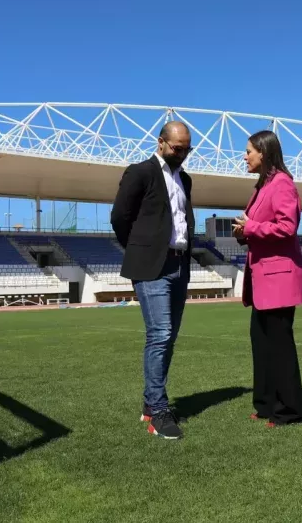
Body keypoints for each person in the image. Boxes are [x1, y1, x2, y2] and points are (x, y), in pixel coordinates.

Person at [110, 121, 194, 440]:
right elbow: (120, 217)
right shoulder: (140, 172)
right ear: (160, 142)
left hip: (179, 265)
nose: (182, 154)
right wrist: (140, 248)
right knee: (160, 334)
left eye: (187, 149)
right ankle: (158, 411)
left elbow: (182, 220)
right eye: (177, 148)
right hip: (152, 266)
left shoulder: (185, 179)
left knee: (169, 337)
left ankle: (150, 403)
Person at [233, 130, 302, 427]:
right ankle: (266, 404)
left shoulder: (282, 184)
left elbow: (287, 227)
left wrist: (251, 227)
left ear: (263, 153)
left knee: (278, 345)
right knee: (262, 344)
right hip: (262, 278)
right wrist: (244, 232)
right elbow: (259, 226)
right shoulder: (262, 186)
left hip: (278, 278)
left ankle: (290, 409)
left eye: (248, 151)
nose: (244, 157)